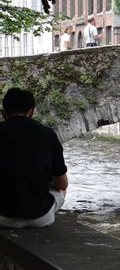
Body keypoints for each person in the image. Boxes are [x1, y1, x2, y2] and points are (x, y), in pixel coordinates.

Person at [0, 88, 68, 228]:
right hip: (41, 217)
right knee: (60, 191)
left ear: (4, 112)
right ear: (31, 111)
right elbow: (62, 184)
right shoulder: (48, 135)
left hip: (3, 217)